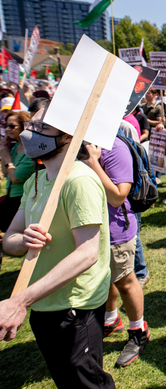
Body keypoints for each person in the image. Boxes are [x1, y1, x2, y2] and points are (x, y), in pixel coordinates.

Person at [1, 108, 116, 388]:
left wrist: (19, 301)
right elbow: (10, 239)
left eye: (43, 126)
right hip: (44, 303)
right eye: (33, 123)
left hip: (75, 308)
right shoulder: (35, 181)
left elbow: (87, 253)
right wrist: (23, 239)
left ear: (67, 136)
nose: (31, 132)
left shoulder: (79, 181)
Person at [82, 133, 151, 368]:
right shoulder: (82, 142)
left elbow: (118, 195)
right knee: (106, 278)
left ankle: (139, 330)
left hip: (115, 229)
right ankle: (111, 319)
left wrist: (93, 164)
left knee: (124, 279)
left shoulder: (114, 146)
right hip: (91, 227)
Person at [0, 111, 35, 233]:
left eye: (12, 126)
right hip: (11, 195)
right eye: (6, 125)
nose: (7, 129)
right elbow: (5, 172)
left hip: (20, 199)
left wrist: (7, 158)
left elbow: (15, 178)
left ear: (23, 127)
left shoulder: (29, 152)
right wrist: (4, 151)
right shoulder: (16, 147)